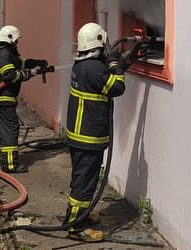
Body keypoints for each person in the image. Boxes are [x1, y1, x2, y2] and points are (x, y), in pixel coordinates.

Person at [62, 22, 133, 242]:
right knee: (85, 182)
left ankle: (79, 215)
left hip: (80, 134)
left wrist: (123, 62)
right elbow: (116, 88)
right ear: (99, 42)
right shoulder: (94, 69)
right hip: (88, 136)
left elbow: (105, 77)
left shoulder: (83, 65)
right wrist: (114, 64)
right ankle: (76, 227)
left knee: (81, 178)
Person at [0, 25, 38, 173]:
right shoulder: (4, 54)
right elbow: (9, 75)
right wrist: (29, 74)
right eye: (16, 40)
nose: (17, 43)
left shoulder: (6, 52)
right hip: (4, 97)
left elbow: (19, 64)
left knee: (1, 128)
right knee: (11, 128)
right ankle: (10, 164)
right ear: (9, 39)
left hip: (2, 97)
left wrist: (37, 63)